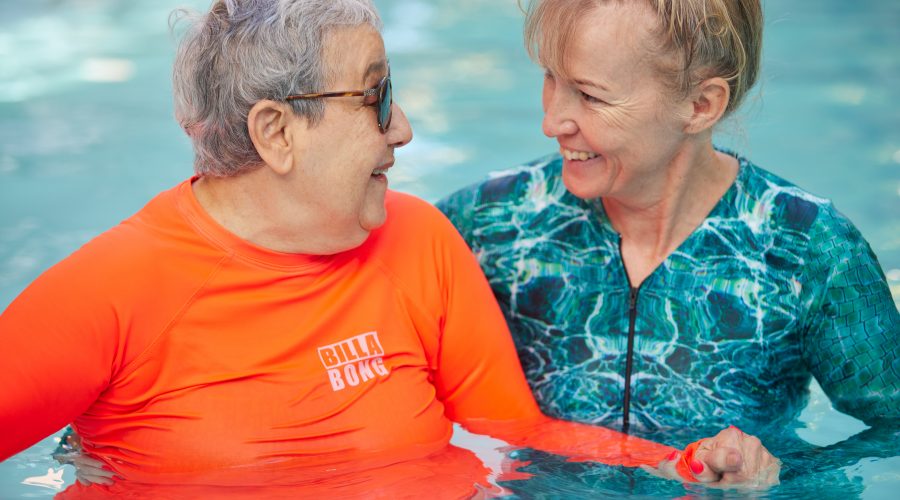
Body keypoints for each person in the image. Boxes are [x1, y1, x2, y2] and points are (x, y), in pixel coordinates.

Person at [0, 0, 779, 496]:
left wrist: (686, 465)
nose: (402, 127)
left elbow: (520, 434)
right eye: (374, 96)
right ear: (277, 133)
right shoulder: (112, 292)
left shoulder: (418, 242)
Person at [438, 0, 900, 469]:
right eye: (550, 78)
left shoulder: (805, 248)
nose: (552, 121)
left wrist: (780, 475)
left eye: (591, 96)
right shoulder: (492, 224)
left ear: (701, 106)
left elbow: (894, 434)